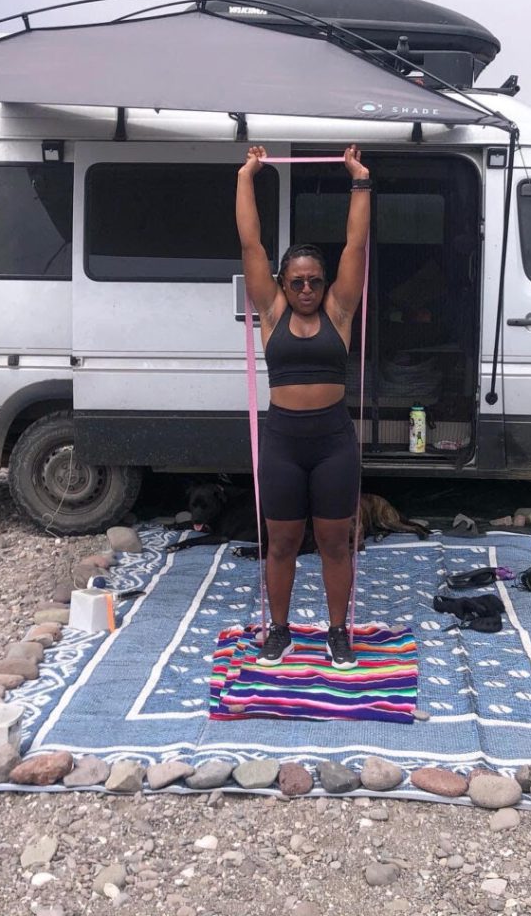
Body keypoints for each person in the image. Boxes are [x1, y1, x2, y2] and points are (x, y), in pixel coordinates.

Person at [235, 143, 370, 669]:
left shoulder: (340, 309)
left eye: (315, 279)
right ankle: (281, 630)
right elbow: (251, 243)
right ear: (282, 285)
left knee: (336, 543)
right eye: (298, 281)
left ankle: (338, 631)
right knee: (282, 543)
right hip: (284, 442)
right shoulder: (270, 310)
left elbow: (355, 245)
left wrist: (359, 181)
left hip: (333, 441)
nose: (309, 287)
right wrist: (248, 176)